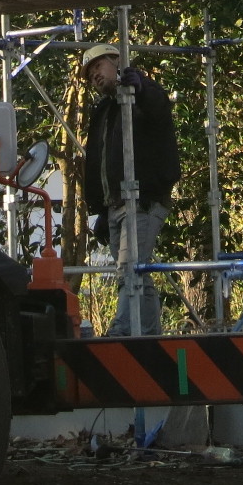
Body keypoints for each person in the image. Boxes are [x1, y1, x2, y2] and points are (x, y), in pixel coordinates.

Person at [79, 41, 180, 336]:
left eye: (98, 67)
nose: (94, 76)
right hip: (116, 205)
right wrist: (101, 207)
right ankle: (150, 336)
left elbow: (157, 110)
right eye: (89, 74)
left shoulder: (142, 96)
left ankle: (122, 330)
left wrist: (141, 88)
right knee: (139, 274)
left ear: (117, 60)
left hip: (143, 200)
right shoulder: (106, 111)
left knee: (130, 269)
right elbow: (100, 162)